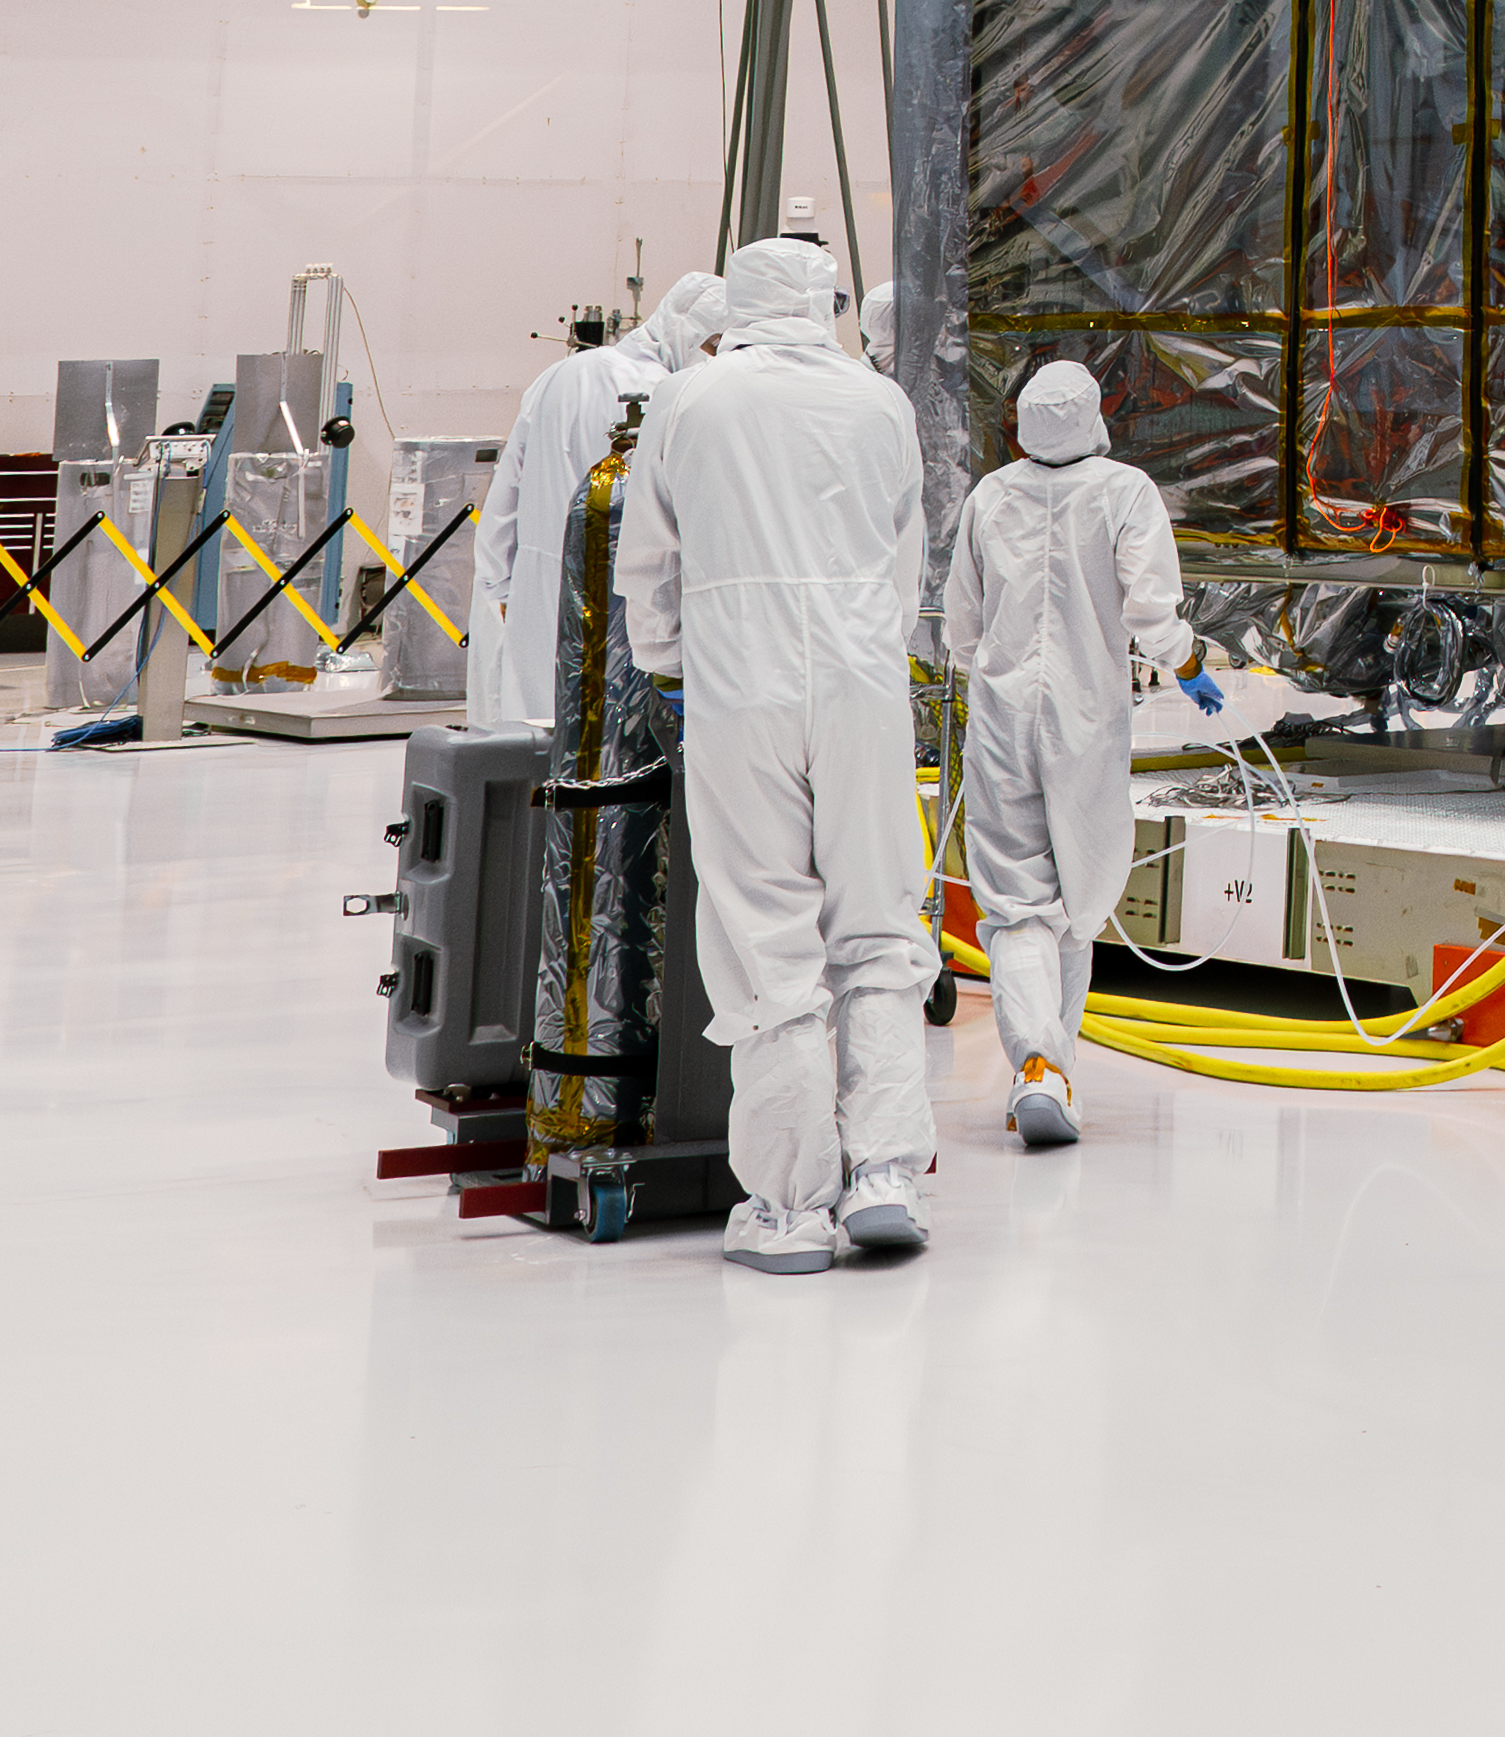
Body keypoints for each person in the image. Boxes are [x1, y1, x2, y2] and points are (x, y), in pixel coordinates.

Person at [618, 236, 942, 1272]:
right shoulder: (877, 400)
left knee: (766, 936)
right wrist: (866, 656)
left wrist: (669, 662)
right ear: (825, 300)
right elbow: (905, 560)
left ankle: (793, 1207)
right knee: (879, 924)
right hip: (860, 681)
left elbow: (650, 556)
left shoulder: (691, 399)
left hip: (737, 679)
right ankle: (885, 1169)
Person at [945, 350, 1186, 1153]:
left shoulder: (990, 496)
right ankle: (1051, 1066)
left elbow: (962, 628)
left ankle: (1044, 1068)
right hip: (1088, 719)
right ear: (1092, 419)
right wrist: (1186, 660)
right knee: (1079, 904)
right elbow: (1153, 615)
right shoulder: (1125, 493)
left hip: (1003, 714)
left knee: (1016, 905)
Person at [480, 269, 721, 758]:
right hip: (617, 602)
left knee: (533, 741)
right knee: (609, 753)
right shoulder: (670, 391)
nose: (715, 358)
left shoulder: (560, 373)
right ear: (686, 328)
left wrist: (496, 586)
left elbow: (505, 494)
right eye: (713, 345)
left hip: (537, 588)